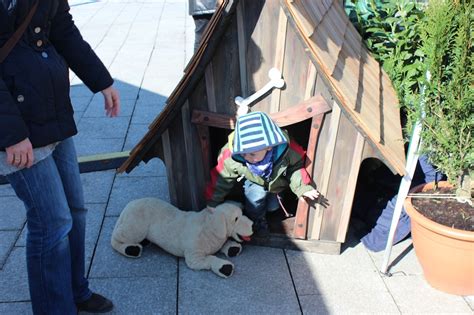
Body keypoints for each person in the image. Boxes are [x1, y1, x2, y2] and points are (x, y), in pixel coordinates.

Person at [0, 1, 120, 314]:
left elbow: (63, 30)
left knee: (75, 210)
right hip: (18, 124)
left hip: (52, 111)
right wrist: (10, 134)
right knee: (51, 221)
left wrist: (101, 80)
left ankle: (75, 290)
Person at [205, 111, 320, 237]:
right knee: (256, 198)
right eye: (243, 154)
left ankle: (272, 212)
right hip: (254, 181)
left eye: (252, 154)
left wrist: (303, 188)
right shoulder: (232, 157)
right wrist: (213, 203)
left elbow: (296, 168)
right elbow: (221, 179)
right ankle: (257, 220)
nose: (247, 158)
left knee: (272, 207)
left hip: (278, 181)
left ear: (269, 147)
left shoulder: (288, 150)